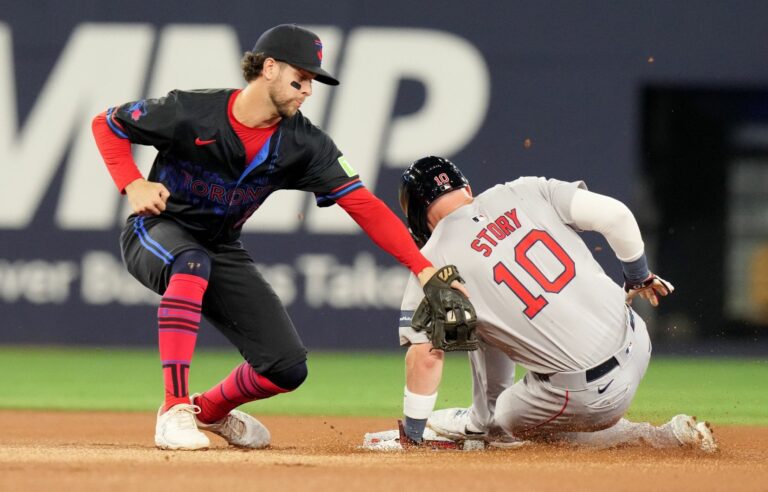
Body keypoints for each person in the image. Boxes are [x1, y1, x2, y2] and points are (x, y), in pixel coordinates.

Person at [91, 24, 466, 451]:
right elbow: (107, 124)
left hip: (220, 246)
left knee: (286, 368)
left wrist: (423, 267)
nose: (307, 89)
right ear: (268, 68)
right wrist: (132, 183)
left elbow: (364, 205)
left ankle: (208, 410)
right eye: (300, 78)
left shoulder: (303, 144)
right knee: (191, 261)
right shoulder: (192, 111)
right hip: (156, 231)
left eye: (312, 82)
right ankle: (174, 409)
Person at [388, 156, 716, 452]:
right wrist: (638, 275)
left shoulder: (431, 261)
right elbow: (615, 215)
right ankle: (483, 418)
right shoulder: (525, 189)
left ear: (417, 218)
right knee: (479, 318)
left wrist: (413, 435)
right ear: (467, 187)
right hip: (638, 341)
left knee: (505, 420)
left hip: (589, 396)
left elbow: (427, 358)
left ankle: (653, 438)